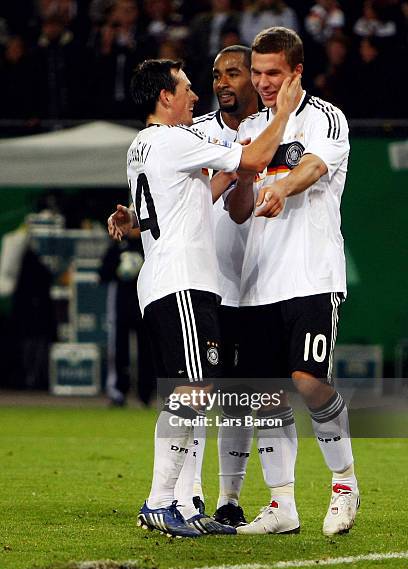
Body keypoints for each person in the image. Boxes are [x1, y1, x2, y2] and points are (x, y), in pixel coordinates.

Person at [107, 57, 301, 537]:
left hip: (166, 281)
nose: (197, 97)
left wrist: (131, 219)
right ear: (164, 97)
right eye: (187, 88)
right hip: (182, 282)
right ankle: (158, 503)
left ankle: (183, 505)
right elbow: (253, 160)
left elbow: (202, 193)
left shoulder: (144, 145)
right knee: (192, 394)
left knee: (190, 393)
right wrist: (283, 114)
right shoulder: (174, 139)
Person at [227, 27, 359, 536]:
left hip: (310, 273)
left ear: (296, 72)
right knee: (267, 396)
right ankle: (282, 505)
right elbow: (239, 211)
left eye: (272, 73)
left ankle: (344, 484)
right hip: (258, 281)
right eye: (256, 72)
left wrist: (281, 183)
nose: (261, 82)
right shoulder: (253, 127)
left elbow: (313, 166)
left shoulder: (326, 117)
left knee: (308, 381)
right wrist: (244, 179)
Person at [174, 45, 260, 528]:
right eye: (215, 75)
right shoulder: (196, 134)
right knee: (195, 390)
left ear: (254, 78)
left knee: (240, 395)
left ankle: (230, 497)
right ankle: (191, 496)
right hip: (205, 282)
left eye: (233, 73)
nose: (222, 82)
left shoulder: (273, 130)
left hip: (258, 280)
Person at [99, 228, 155, 407]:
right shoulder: (118, 245)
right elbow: (103, 273)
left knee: (147, 349)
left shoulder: (150, 243)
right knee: (118, 349)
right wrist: (119, 269)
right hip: (121, 305)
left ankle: (146, 394)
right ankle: (118, 391)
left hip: (145, 302)